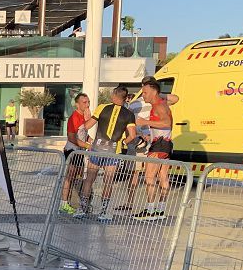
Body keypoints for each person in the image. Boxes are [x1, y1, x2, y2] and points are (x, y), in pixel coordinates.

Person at [75, 86, 137, 223]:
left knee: (89, 180)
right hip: (113, 151)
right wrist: (123, 142)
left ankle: (82, 209)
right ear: (125, 98)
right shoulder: (129, 114)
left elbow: (86, 126)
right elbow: (132, 135)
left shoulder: (102, 107)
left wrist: (86, 128)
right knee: (108, 182)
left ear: (114, 96)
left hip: (97, 148)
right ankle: (103, 212)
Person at [133, 76, 174, 221]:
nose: (143, 96)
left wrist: (145, 122)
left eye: (145, 92)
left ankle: (150, 211)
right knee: (163, 176)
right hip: (165, 144)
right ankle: (160, 210)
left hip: (159, 145)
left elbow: (167, 123)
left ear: (154, 91)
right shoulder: (161, 104)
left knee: (149, 176)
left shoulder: (159, 106)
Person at [59, 92, 93, 214]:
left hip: (80, 152)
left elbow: (83, 134)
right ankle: (63, 203)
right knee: (69, 177)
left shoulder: (84, 117)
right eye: (84, 102)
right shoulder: (74, 117)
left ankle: (78, 203)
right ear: (77, 104)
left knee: (78, 177)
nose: (87, 105)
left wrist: (92, 141)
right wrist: (88, 146)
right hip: (72, 151)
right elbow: (72, 138)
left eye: (88, 102)